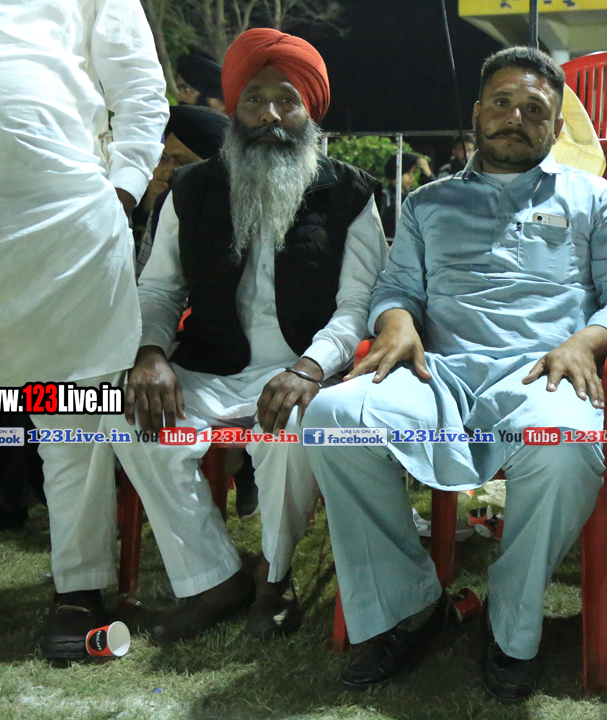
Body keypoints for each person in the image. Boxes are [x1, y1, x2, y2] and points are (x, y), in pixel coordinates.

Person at [302, 46, 607, 701]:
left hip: (541, 375)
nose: (516, 117)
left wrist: (588, 340)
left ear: (555, 126)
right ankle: (410, 605)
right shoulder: (428, 203)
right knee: (331, 417)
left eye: (535, 110)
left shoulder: (594, 199)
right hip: (440, 374)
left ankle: (511, 622)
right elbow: (397, 287)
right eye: (502, 103)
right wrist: (396, 322)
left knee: (565, 447)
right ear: (477, 113)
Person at [104, 27, 387, 642]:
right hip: (212, 366)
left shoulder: (351, 193)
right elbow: (159, 291)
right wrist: (150, 353)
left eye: (287, 100)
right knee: (121, 416)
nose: (270, 116)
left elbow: (357, 307)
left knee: (289, 424)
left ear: (311, 111)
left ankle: (276, 577)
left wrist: (310, 368)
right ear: (234, 108)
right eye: (254, 99)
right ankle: (214, 579)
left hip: (304, 368)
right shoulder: (191, 189)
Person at [0, 0, 168, 656]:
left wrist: (120, 191)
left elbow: (141, 89)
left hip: (63, 225)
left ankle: (79, 587)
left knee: (72, 422)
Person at [134, 104, 229, 276]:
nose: (167, 171)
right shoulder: (127, 205)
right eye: (162, 158)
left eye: (182, 162)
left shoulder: (216, 219)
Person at [380, 152, 433, 239]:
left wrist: (428, 175)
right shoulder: (385, 196)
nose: (412, 177)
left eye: (413, 173)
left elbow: (435, 195)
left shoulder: (411, 196)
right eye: (408, 173)